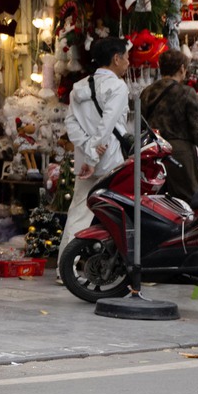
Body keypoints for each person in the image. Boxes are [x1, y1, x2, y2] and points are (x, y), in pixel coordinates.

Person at [63, 37, 132, 252]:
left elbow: (70, 122)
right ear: (116, 58)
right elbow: (107, 124)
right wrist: (94, 154)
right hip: (108, 158)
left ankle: (66, 265)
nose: (128, 62)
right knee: (115, 210)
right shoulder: (118, 87)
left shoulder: (79, 86)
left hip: (85, 158)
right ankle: (122, 264)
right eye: (126, 57)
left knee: (79, 211)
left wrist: (86, 148)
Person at [139, 50, 198, 203]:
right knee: (190, 201)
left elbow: (140, 128)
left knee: (157, 203)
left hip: (154, 154)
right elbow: (197, 131)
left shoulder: (146, 93)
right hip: (180, 154)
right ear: (182, 68)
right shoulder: (187, 92)